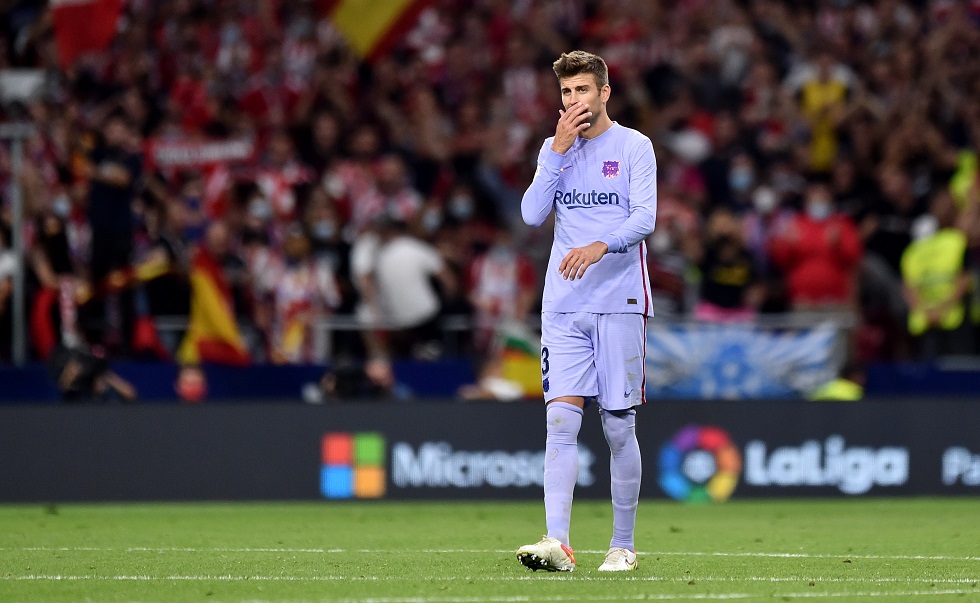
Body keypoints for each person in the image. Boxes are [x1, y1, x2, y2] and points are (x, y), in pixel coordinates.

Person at [515, 51, 656, 574]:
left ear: (604, 93)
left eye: (582, 90)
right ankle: (559, 543)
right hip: (563, 304)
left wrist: (601, 245)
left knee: (617, 427)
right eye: (566, 92)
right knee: (558, 419)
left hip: (619, 301)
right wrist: (556, 150)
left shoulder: (634, 146)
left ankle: (623, 546)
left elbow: (645, 217)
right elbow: (531, 214)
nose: (574, 100)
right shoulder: (555, 149)